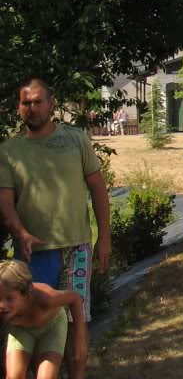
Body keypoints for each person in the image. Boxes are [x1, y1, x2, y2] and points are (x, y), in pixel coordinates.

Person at [0, 78, 110, 371]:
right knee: (32, 320)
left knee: (76, 322)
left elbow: (98, 188)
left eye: (38, 102)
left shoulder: (75, 140)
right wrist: (20, 231)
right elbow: (5, 202)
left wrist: (105, 238)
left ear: (52, 104)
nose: (32, 108)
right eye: (26, 103)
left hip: (77, 248)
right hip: (33, 254)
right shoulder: (9, 151)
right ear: (18, 108)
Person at [0, 260, 87, 379]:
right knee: (14, 376)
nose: (2, 305)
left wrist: (79, 340)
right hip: (21, 329)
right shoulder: (6, 308)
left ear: (25, 293)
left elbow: (75, 298)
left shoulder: (46, 298)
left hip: (52, 327)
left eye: (9, 298)